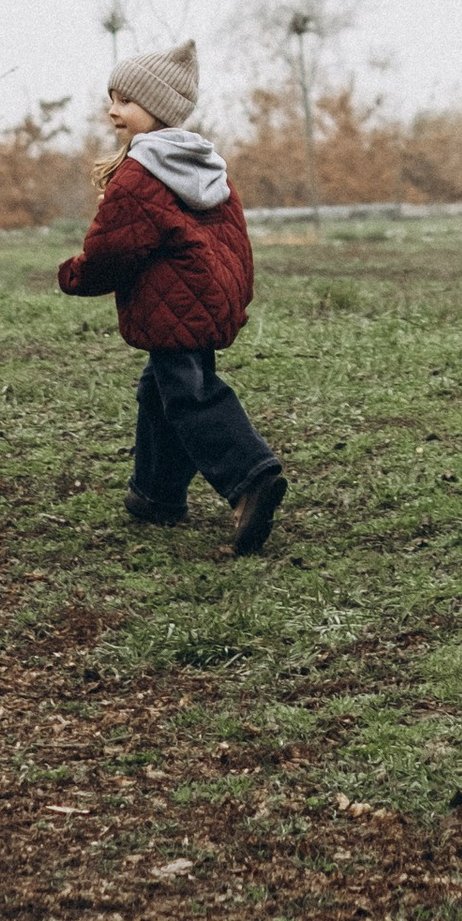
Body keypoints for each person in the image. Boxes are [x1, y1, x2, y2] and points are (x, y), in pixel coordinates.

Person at [58, 40, 287, 555]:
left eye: (125, 100)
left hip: (174, 301)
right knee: (158, 390)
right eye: (112, 99)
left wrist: (73, 274)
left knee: (187, 393)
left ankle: (250, 478)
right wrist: (234, 290)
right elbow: (232, 236)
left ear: (157, 107)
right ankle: (155, 494)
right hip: (202, 295)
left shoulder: (142, 173)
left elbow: (113, 250)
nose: (113, 110)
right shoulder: (204, 162)